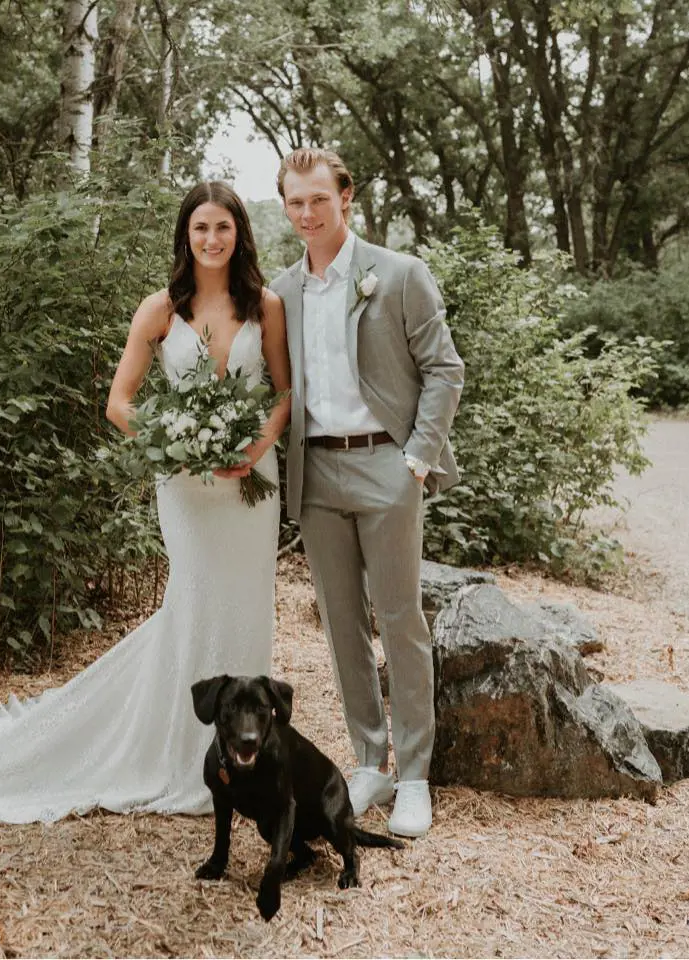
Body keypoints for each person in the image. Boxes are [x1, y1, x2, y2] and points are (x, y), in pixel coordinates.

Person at [0, 181, 291, 823]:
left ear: (239, 234)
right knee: (192, 600)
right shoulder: (160, 310)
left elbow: (281, 392)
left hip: (252, 483)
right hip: (187, 488)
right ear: (185, 236)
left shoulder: (265, 306)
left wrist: (252, 450)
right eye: (201, 228)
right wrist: (175, 447)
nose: (212, 239)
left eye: (223, 227)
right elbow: (119, 403)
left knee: (247, 605)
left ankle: (248, 756)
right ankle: (182, 756)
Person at [269, 148, 463, 838]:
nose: (307, 214)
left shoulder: (400, 274)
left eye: (319, 199)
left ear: (345, 197)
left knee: (400, 619)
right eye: (295, 202)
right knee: (341, 624)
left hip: (387, 465)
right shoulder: (282, 291)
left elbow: (445, 370)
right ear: (284, 205)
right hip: (316, 473)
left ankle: (414, 776)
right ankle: (370, 763)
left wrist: (416, 457)